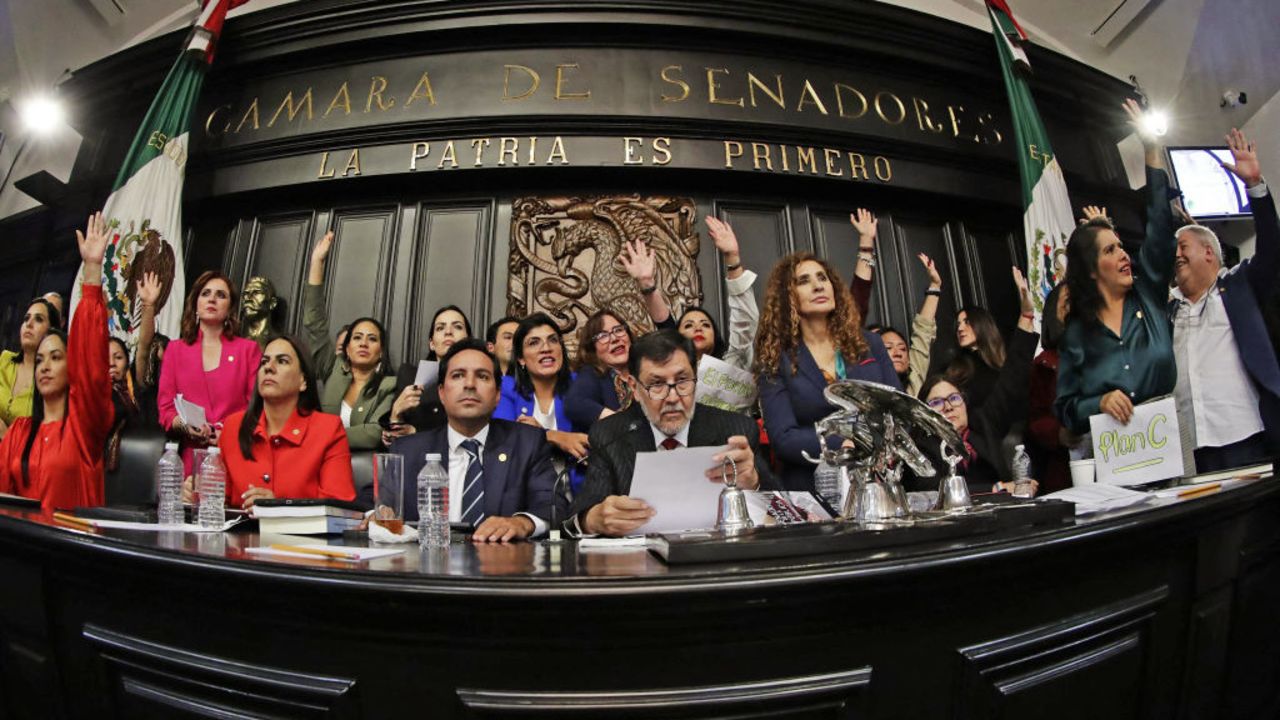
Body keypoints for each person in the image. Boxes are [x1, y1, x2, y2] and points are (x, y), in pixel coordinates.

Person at [567, 330, 773, 537]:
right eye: (657, 384)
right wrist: (592, 520)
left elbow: (784, 512)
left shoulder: (735, 430)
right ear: (635, 388)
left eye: (682, 380)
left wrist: (754, 483)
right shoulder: (609, 434)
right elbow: (579, 514)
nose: (673, 397)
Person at [1056, 99, 1177, 435]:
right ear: (1092, 269)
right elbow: (1065, 409)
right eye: (1111, 250)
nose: (1125, 255)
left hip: (1169, 442)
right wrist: (1099, 402)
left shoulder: (1149, 295)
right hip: (1117, 459)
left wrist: (1152, 151)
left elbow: (1161, 233)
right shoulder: (1077, 334)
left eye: (1122, 246)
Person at [1170, 128, 1280, 471]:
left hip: (1243, 439)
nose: (1176, 256)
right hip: (1186, 448)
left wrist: (1256, 187)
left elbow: (1272, 250)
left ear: (1209, 253)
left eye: (1182, 247)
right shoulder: (1166, 307)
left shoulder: (1239, 286)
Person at [380, 339, 558, 542]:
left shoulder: (527, 443)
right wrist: (377, 515)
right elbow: (378, 504)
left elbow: (552, 504)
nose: (470, 384)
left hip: (502, 567)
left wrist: (521, 523)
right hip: (424, 567)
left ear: (498, 395)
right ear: (441, 393)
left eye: (482, 376)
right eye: (458, 375)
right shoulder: (407, 450)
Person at [756, 252, 899, 491]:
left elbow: (898, 409)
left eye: (822, 278)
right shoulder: (774, 357)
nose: (818, 286)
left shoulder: (870, 343)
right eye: (804, 281)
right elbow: (784, 437)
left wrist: (878, 447)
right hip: (811, 489)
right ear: (787, 297)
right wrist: (842, 444)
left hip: (879, 481)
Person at [0, 213, 112, 511]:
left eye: (56, 357)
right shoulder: (19, 432)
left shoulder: (84, 427)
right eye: (39, 360)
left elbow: (91, 362)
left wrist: (92, 269)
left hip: (71, 552)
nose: (45, 366)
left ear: (71, 366)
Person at [216, 335, 355, 510]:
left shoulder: (328, 429)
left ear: (303, 381)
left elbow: (339, 509)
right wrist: (196, 492)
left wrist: (281, 509)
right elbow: (218, 499)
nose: (269, 368)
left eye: (282, 361)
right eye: (264, 361)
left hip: (301, 538)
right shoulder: (233, 426)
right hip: (238, 535)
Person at [621, 217, 761, 372]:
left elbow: (745, 321)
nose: (698, 328)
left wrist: (732, 258)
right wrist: (647, 283)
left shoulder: (733, 365)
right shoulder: (669, 375)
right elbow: (664, 324)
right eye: (688, 325)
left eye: (706, 325)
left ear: (715, 337)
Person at [157, 270, 262, 474]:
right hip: (189, 459)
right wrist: (186, 426)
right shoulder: (176, 350)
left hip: (235, 453)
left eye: (221, 295)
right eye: (205, 293)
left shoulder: (247, 350)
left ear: (230, 308)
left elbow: (256, 408)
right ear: (195, 303)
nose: (212, 298)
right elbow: (166, 409)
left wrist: (227, 432)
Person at [303, 231, 398, 449]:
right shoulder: (333, 367)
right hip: (322, 462)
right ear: (346, 348)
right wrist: (317, 262)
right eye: (357, 338)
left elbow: (375, 431)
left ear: (381, 351)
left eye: (372, 339)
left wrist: (322, 435)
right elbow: (314, 322)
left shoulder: (389, 384)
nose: (363, 343)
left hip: (363, 470)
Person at [493, 313, 589, 492]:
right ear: (521, 358)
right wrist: (554, 437)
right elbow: (504, 437)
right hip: (522, 496)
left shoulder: (581, 385)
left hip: (578, 496)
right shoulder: (506, 387)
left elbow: (595, 442)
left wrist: (537, 433)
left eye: (553, 340)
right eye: (534, 342)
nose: (546, 348)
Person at [383, 304, 472, 437]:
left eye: (457, 326)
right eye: (440, 328)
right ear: (431, 343)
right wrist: (395, 415)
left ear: (468, 339)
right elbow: (396, 432)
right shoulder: (409, 375)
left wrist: (417, 432)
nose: (448, 332)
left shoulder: (476, 379)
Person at [1027, 282, 1073, 494]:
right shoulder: (1043, 365)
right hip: (1067, 467)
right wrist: (1059, 433)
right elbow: (1034, 420)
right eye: (1068, 302)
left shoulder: (1106, 351)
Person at [0, 297, 61, 438]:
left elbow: (44, 436)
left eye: (38, 319)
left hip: (21, 456)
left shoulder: (49, 378)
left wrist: (5, 435)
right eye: (26, 318)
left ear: (51, 332)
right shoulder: (5, 360)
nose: (29, 324)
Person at [564, 309, 635, 430]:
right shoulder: (592, 373)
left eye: (618, 330)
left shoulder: (646, 367)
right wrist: (624, 426)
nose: (614, 339)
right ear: (593, 349)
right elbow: (574, 403)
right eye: (603, 336)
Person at [104, 337, 141, 472]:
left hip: (137, 462)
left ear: (127, 362)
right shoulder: (94, 396)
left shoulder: (136, 392)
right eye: (104, 358)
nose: (111, 363)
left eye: (118, 357)